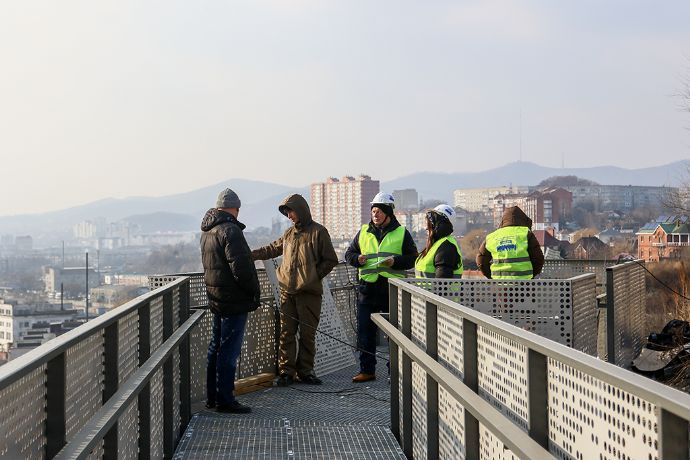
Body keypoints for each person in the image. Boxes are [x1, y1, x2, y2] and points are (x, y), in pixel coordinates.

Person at [252, 194, 338, 386]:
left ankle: (305, 372)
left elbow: (330, 259)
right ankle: (286, 373)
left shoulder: (319, 232)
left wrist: (312, 277)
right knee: (286, 333)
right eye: (286, 213)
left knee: (307, 335)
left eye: (290, 212)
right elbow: (272, 249)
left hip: (309, 294)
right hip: (287, 292)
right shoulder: (289, 234)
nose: (289, 216)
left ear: (300, 210)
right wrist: (250, 255)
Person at [345, 192, 418, 383]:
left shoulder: (401, 233)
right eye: (373, 211)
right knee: (365, 332)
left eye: (378, 211)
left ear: (388, 213)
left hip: (390, 290)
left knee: (393, 334)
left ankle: (394, 372)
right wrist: (357, 259)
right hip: (367, 290)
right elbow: (349, 254)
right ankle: (367, 370)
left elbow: (412, 258)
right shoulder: (363, 232)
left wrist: (395, 262)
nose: (375, 215)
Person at [201, 188, 261, 414]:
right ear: (235, 208)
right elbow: (241, 269)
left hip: (217, 299)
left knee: (215, 348)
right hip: (234, 301)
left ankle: (212, 397)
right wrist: (253, 293)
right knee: (228, 351)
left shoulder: (207, 232)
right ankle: (225, 400)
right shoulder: (230, 230)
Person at [476, 205, 544, 279]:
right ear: (524, 220)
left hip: (499, 283)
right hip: (524, 283)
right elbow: (538, 258)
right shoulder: (526, 234)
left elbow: (481, 260)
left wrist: (491, 276)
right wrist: (531, 275)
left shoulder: (492, 237)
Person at [415, 204, 463, 278]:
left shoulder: (446, 246)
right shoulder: (437, 244)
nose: (427, 228)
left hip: (432, 286)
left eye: (430, 223)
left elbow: (442, 282)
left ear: (438, 224)